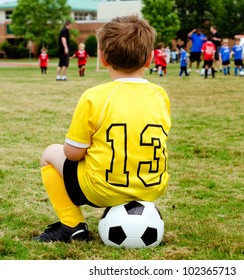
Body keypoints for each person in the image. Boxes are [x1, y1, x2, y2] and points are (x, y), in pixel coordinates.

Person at [33, 15, 171, 243]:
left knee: (49, 153)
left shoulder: (94, 97)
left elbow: (73, 154)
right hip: (151, 187)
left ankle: (71, 225)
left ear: (103, 58)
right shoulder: (160, 95)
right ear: (150, 59)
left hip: (102, 190)